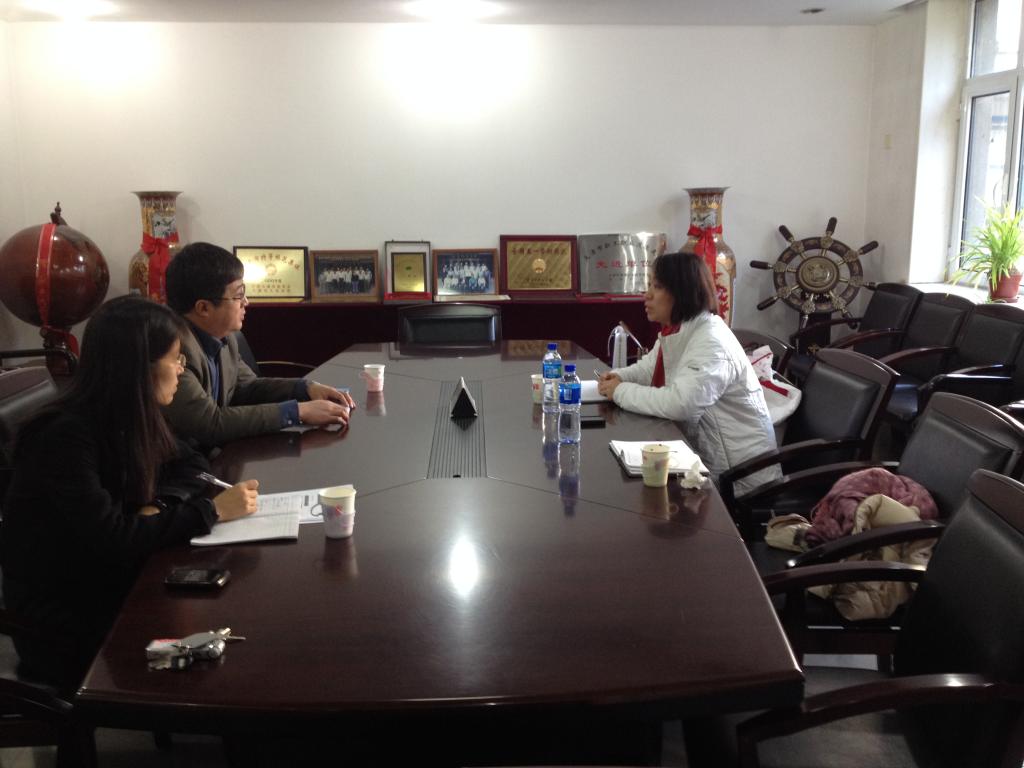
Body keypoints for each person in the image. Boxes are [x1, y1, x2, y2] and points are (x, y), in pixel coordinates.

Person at [0, 296, 259, 688]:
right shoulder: (63, 437)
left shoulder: (129, 414)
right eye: (175, 359)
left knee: (228, 607)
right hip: (66, 619)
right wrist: (211, 511)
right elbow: (113, 539)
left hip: (111, 581)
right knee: (222, 647)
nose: (181, 368)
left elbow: (192, 465)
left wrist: (159, 505)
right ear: (139, 367)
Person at [597, 251, 779, 493]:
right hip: (702, 461)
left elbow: (681, 405)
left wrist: (620, 391)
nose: (647, 294)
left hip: (740, 481)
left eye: (657, 287)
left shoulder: (711, 341)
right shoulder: (680, 330)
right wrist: (620, 377)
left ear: (682, 292)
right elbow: (648, 368)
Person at [164, 242, 355, 448]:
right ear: (203, 308)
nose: (246, 302)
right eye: (238, 295)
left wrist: (306, 388)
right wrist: (298, 412)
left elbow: (248, 387)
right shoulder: (172, 351)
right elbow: (210, 423)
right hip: (182, 460)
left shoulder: (223, 336)